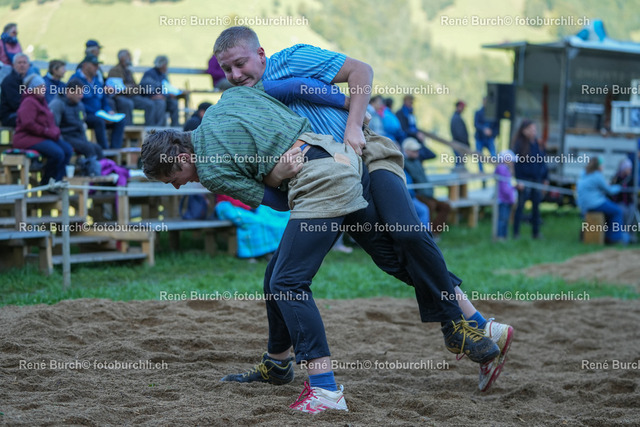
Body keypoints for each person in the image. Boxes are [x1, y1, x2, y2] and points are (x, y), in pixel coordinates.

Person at [141, 86, 504, 414]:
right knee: (384, 261)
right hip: (346, 161)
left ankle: (325, 390)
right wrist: (279, 164)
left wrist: (276, 175)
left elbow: (278, 202)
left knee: (287, 282)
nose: (177, 188)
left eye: (172, 179)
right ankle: (474, 324)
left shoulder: (210, 171)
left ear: (181, 158)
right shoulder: (229, 99)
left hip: (320, 185)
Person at [213, 25, 513, 401]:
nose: (235, 74)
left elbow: (360, 71)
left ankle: (457, 323)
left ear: (260, 54)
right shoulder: (248, 101)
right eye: (227, 69)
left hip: (367, 154)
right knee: (376, 261)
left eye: (240, 63)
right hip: (334, 181)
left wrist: (354, 124)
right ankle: (479, 325)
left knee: (406, 233)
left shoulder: (291, 59)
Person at [13, 74, 72, 184]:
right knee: (57, 153)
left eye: (44, 87)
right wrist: (47, 132)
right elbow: (28, 124)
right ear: (33, 88)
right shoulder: (29, 102)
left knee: (67, 150)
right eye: (40, 87)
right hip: (26, 137)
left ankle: (58, 181)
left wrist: (55, 131)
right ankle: (47, 182)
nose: (43, 89)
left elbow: (50, 120)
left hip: (41, 136)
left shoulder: (41, 101)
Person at [402, 137, 450, 238]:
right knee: (430, 206)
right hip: (417, 194)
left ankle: (434, 232)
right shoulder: (403, 163)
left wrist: (422, 141)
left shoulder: (418, 160)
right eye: (414, 150)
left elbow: (431, 154)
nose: (417, 152)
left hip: (427, 194)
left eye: (417, 150)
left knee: (445, 206)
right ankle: (427, 234)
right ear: (406, 150)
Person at [215, 194, 290, 260]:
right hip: (231, 204)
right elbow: (228, 196)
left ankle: (271, 250)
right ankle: (256, 253)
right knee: (255, 221)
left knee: (272, 219)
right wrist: (248, 206)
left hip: (251, 203)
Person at [73, 55, 125, 149]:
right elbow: (76, 102)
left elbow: (104, 100)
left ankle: (115, 150)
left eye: (97, 65)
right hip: (84, 115)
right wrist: (98, 113)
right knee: (99, 121)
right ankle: (104, 151)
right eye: (94, 65)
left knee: (120, 121)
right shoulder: (75, 80)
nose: (97, 68)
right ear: (85, 65)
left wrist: (108, 111)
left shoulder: (97, 81)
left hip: (100, 114)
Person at [577, 157, 630, 244]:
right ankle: (615, 237)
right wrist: (619, 187)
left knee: (609, 212)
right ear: (598, 166)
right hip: (594, 203)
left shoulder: (584, 173)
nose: (603, 166)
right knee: (617, 211)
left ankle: (607, 235)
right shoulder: (597, 175)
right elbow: (609, 191)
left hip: (584, 205)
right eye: (602, 165)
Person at [49, 78, 104, 160]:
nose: (81, 96)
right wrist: (61, 142)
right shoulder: (57, 104)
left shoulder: (79, 105)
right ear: (69, 92)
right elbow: (53, 126)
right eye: (78, 93)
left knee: (97, 148)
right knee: (88, 148)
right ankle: (92, 167)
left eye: (82, 93)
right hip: (65, 137)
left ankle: (105, 166)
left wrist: (85, 140)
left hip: (78, 137)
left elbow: (81, 124)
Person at [511, 119, 548, 239]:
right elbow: (516, 166)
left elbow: (542, 163)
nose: (533, 131)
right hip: (524, 180)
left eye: (534, 129)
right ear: (524, 130)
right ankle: (516, 233)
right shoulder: (519, 145)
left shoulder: (537, 144)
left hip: (536, 180)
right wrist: (518, 180)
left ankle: (536, 233)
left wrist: (545, 178)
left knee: (536, 208)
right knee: (520, 207)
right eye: (531, 129)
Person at [107, 49, 158, 126]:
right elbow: (119, 89)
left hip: (132, 96)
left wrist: (131, 88)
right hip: (120, 97)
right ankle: (129, 129)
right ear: (122, 58)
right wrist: (130, 88)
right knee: (128, 103)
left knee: (149, 104)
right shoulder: (114, 70)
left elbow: (135, 87)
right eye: (128, 56)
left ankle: (150, 129)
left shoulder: (128, 71)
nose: (130, 58)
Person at [140, 55, 180, 126]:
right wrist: (154, 95)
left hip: (163, 97)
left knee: (174, 103)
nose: (166, 67)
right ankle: (159, 127)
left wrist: (167, 95)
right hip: (151, 98)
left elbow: (167, 87)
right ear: (162, 65)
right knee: (160, 103)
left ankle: (175, 127)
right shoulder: (149, 74)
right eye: (165, 65)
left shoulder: (163, 75)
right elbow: (145, 89)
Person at [396, 94, 433, 161]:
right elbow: (403, 128)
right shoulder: (400, 113)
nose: (411, 103)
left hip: (415, 138)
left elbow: (414, 127)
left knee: (426, 153)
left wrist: (419, 133)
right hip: (406, 139)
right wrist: (416, 134)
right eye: (410, 101)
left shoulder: (411, 113)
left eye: (412, 102)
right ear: (405, 101)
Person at [0, 53, 29, 127]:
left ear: (28, 65)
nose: (22, 65)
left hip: (23, 111)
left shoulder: (29, 79)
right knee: (33, 119)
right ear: (13, 65)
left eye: (24, 63)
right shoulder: (9, 81)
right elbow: (16, 104)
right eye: (19, 63)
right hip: (10, 115)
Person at [495, 149, 516, 240]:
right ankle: (500, 236)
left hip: (507, 199)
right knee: (502, 219)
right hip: (504, 199)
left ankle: (504, 236)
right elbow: (504, 188)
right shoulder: (502, 169)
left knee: (506, 219)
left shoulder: (506, 170)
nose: (512, 163)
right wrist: (511, 196)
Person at [474, 97, 499, 173]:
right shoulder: (478, 113)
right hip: (480, 138)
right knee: (479, 155)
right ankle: (481, 171)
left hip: (490, 138)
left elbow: (497, 127)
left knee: (493, 155)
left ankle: (497, 171)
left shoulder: (494, 114)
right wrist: (483, 129)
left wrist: (492, 132)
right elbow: (476, 124)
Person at [450, 100, 469, 169]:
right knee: (459, 164)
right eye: (462, 107)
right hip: (459, 144)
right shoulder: (456, 118)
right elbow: (459, 134)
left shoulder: (456, 117)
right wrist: (465, 143)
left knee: (460, 163)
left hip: (459, 144)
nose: (463, 109)